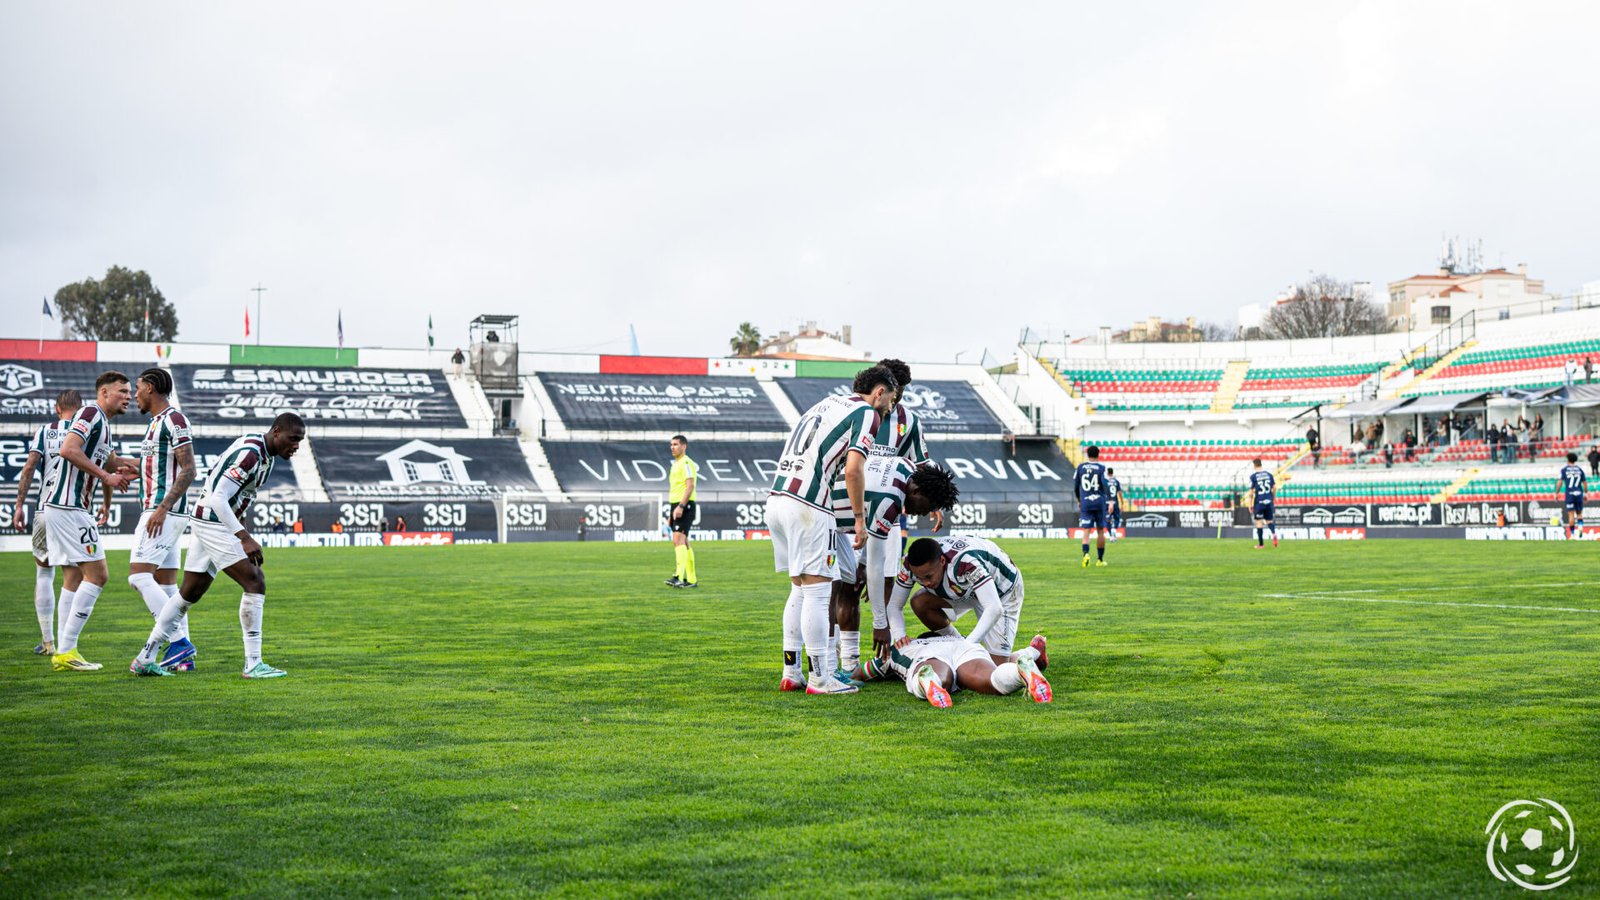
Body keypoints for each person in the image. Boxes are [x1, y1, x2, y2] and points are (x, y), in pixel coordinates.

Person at [129, 413, 307, 679]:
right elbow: (218, 496)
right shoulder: (252, 454)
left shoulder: (264, 454)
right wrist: (243, 536)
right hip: (213, 520)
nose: (296, 446)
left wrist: (241, 529)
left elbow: (234, 494)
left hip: (208, 520)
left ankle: (145, 657)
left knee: (189, 593)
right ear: (277, 431)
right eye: (293, 439)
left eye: (300, 441)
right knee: (255, 581)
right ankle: (253, 663)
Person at [767, 365, 896, 695]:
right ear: (879, 391)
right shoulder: (868, 413)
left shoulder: (825, 404)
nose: (891, 408)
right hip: (808, 504)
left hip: (777, 499)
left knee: (799, 587)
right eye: (892, 400)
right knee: (817, 592)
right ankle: (820, 677)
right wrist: (858, 519)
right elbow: (854, 470)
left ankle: (791, 671)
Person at [828, 358, 935, 680]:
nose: (896, 398)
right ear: (884, 389)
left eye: (901, 392)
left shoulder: (909, 420)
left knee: (884, 583)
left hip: (886, 509)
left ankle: (883, 658)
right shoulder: (855, 413)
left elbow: (923, 463)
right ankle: (842, 661)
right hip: (848, 507)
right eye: (894, 391)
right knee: (844, 586)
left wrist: (935, 502)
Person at [42, 372, 137, 672]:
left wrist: (148, 465)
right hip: (70, 507)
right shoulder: (90, 413)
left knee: (72, 577)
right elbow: (68, 449)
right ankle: (67, 649)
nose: (129, 396)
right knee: (98, 575)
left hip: (64, 507)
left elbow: (112, 461)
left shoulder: (103, 423)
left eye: (130, 392)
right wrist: (106, 476)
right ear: (104, 392)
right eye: (122, 391)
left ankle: (63, 653)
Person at [840, 460, 961, 679]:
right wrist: (880, 624)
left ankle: (834, 670)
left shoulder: (906, 468)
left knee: (822, 590)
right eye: (925, 507)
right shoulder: (890, 501)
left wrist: (865, 563)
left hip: (831, 516)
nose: (920, 514)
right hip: (823, 516)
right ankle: (823, 672)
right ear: (916, 491)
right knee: (817, 591)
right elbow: (876, 565)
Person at [126, 368, 200, 672]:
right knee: (167, 585)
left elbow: (189, 468)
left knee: (138, 576)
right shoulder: (155, 423)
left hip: (162, 513)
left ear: (152, 388)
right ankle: (184, 658)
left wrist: (162, 508)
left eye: (139, 387)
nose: (134, 394)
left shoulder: (174, 419)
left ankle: (179, 642)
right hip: (163, 511)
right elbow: (158, 465)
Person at [889, 536, 1045, 669]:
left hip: (1002, 591)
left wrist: (968, 646)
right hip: (966, 588)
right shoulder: (909, 564)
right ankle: (957, 643)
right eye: (920, 578)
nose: (925, 583)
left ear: (942, 561)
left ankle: (1033, 652)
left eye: (928, 576)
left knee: (996, 668)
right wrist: (900, 635)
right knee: (920, 602)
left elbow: (994, 607)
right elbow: (894, 605)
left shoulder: (965, 562)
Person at [11, 390, 82, 655]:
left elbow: (29, 468)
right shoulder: (86, 430)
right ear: (81, 408)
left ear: (57, 408)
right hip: (73, 511)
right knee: (72, 576)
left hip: (44, 509)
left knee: (44, 572)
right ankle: (67, 644)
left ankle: (48, 642)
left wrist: (19, 506)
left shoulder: (46, 431)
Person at [860, 634, 1050, 708]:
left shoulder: (902, 646)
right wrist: (1034, 651)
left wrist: (849, 676)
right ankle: (1019, 673)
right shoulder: (955, 636)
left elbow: (863, 672)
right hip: (964, 646)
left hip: (927, 655)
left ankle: (928, 680)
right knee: (991, 678)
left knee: (939, 675)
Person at [664, 434, 700, 588]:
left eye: (676, 444)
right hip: (676, 505)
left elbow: (690, 485)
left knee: (678, 540)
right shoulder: (676, 464)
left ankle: (678, 576)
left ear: (684, 446)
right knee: (683, 541)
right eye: (671, 444)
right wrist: (673, 509)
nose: (672, 447)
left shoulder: (686, 462)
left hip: (684, 505)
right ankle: (691, 580)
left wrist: (681, 506)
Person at [1074, 445, 1110, 567]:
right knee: (1100, 531)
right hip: (1099, 502)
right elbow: (1105, 484)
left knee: (1086, 530)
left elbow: (1076, 486)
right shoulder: (1101, 468)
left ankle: (1086, 554)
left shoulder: (1080, 467)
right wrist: (1109, 500)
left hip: (1085, 502)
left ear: (1087, 454)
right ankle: (1100, 560)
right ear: (1098, 454)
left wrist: (1079, 499)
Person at [1248, 458, 1277, 548]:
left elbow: (1251, 492)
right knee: (1269, 521)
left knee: (1259, 522)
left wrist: (1250, 504)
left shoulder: (1253, 477)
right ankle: (1273, 533)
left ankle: (1261, 544)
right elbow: (1275, 487)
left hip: (1259, 502)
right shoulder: (1269, 475)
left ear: (1254, 465)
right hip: (1269, 501)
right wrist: (1273, 498)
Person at [1559, 452, 1587, 540]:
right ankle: (1581, 528)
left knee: (1571, 514)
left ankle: (1573, 534)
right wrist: (1585, 493)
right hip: (1579, 494)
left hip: (1570, 494)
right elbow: (1585, 483)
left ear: (1568, 460)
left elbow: (1560, 482)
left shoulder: (1564, 470)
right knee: (1579, 514)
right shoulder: (1579, 469)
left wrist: (1556, 493)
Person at [1105, 467, 1124, 540]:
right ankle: (1114, 530)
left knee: (1107, 520)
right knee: (1117, 519)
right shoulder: (1116, 482)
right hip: (1115, 502)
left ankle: (1110, 536)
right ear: (1112, 473)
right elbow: (1120, 493)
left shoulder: (1105, 482)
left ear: (1107, 473)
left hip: (1106, 503)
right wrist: (1122, 503)